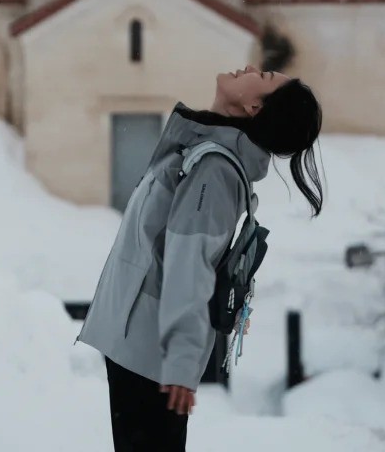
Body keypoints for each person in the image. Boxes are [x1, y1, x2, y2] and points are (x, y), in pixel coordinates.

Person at [76, 64, 325, 452]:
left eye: (263, 76)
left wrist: (180, 362)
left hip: (151, 354)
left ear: (254, 107)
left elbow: (190, 266)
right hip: (141, 346)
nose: (251, 67)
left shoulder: (214, 170)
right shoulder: (204, 155)